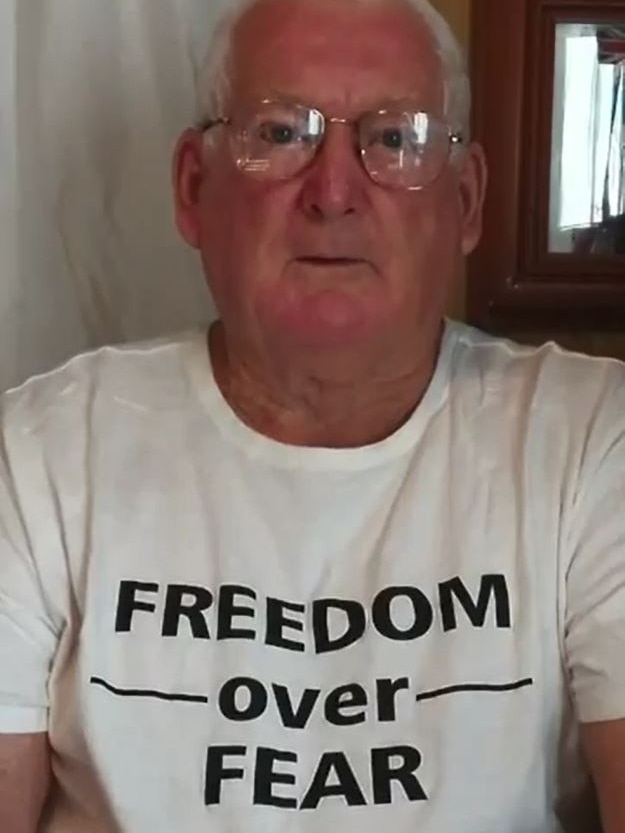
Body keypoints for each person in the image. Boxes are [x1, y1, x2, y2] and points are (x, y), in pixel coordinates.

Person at [0, 0, 624, 830]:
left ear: (466, 202)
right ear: (194, 188)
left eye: (395, 138)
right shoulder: (39, 454)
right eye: (280, 132)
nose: (333, 191)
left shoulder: (589, 441)